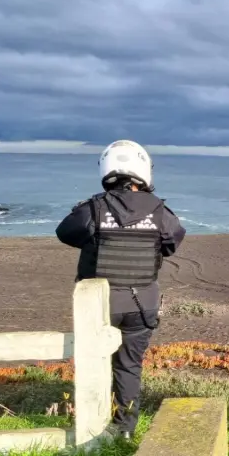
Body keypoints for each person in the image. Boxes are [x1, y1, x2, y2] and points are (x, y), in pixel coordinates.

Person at [55, 140, 186, 440]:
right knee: (129, 366)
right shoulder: (161, 212)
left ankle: (93, 428)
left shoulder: (94, 208)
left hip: (100, 304)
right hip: (142, 304)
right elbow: (172, 242)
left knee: (94, 362)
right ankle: (125, 430)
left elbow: (65, 232)